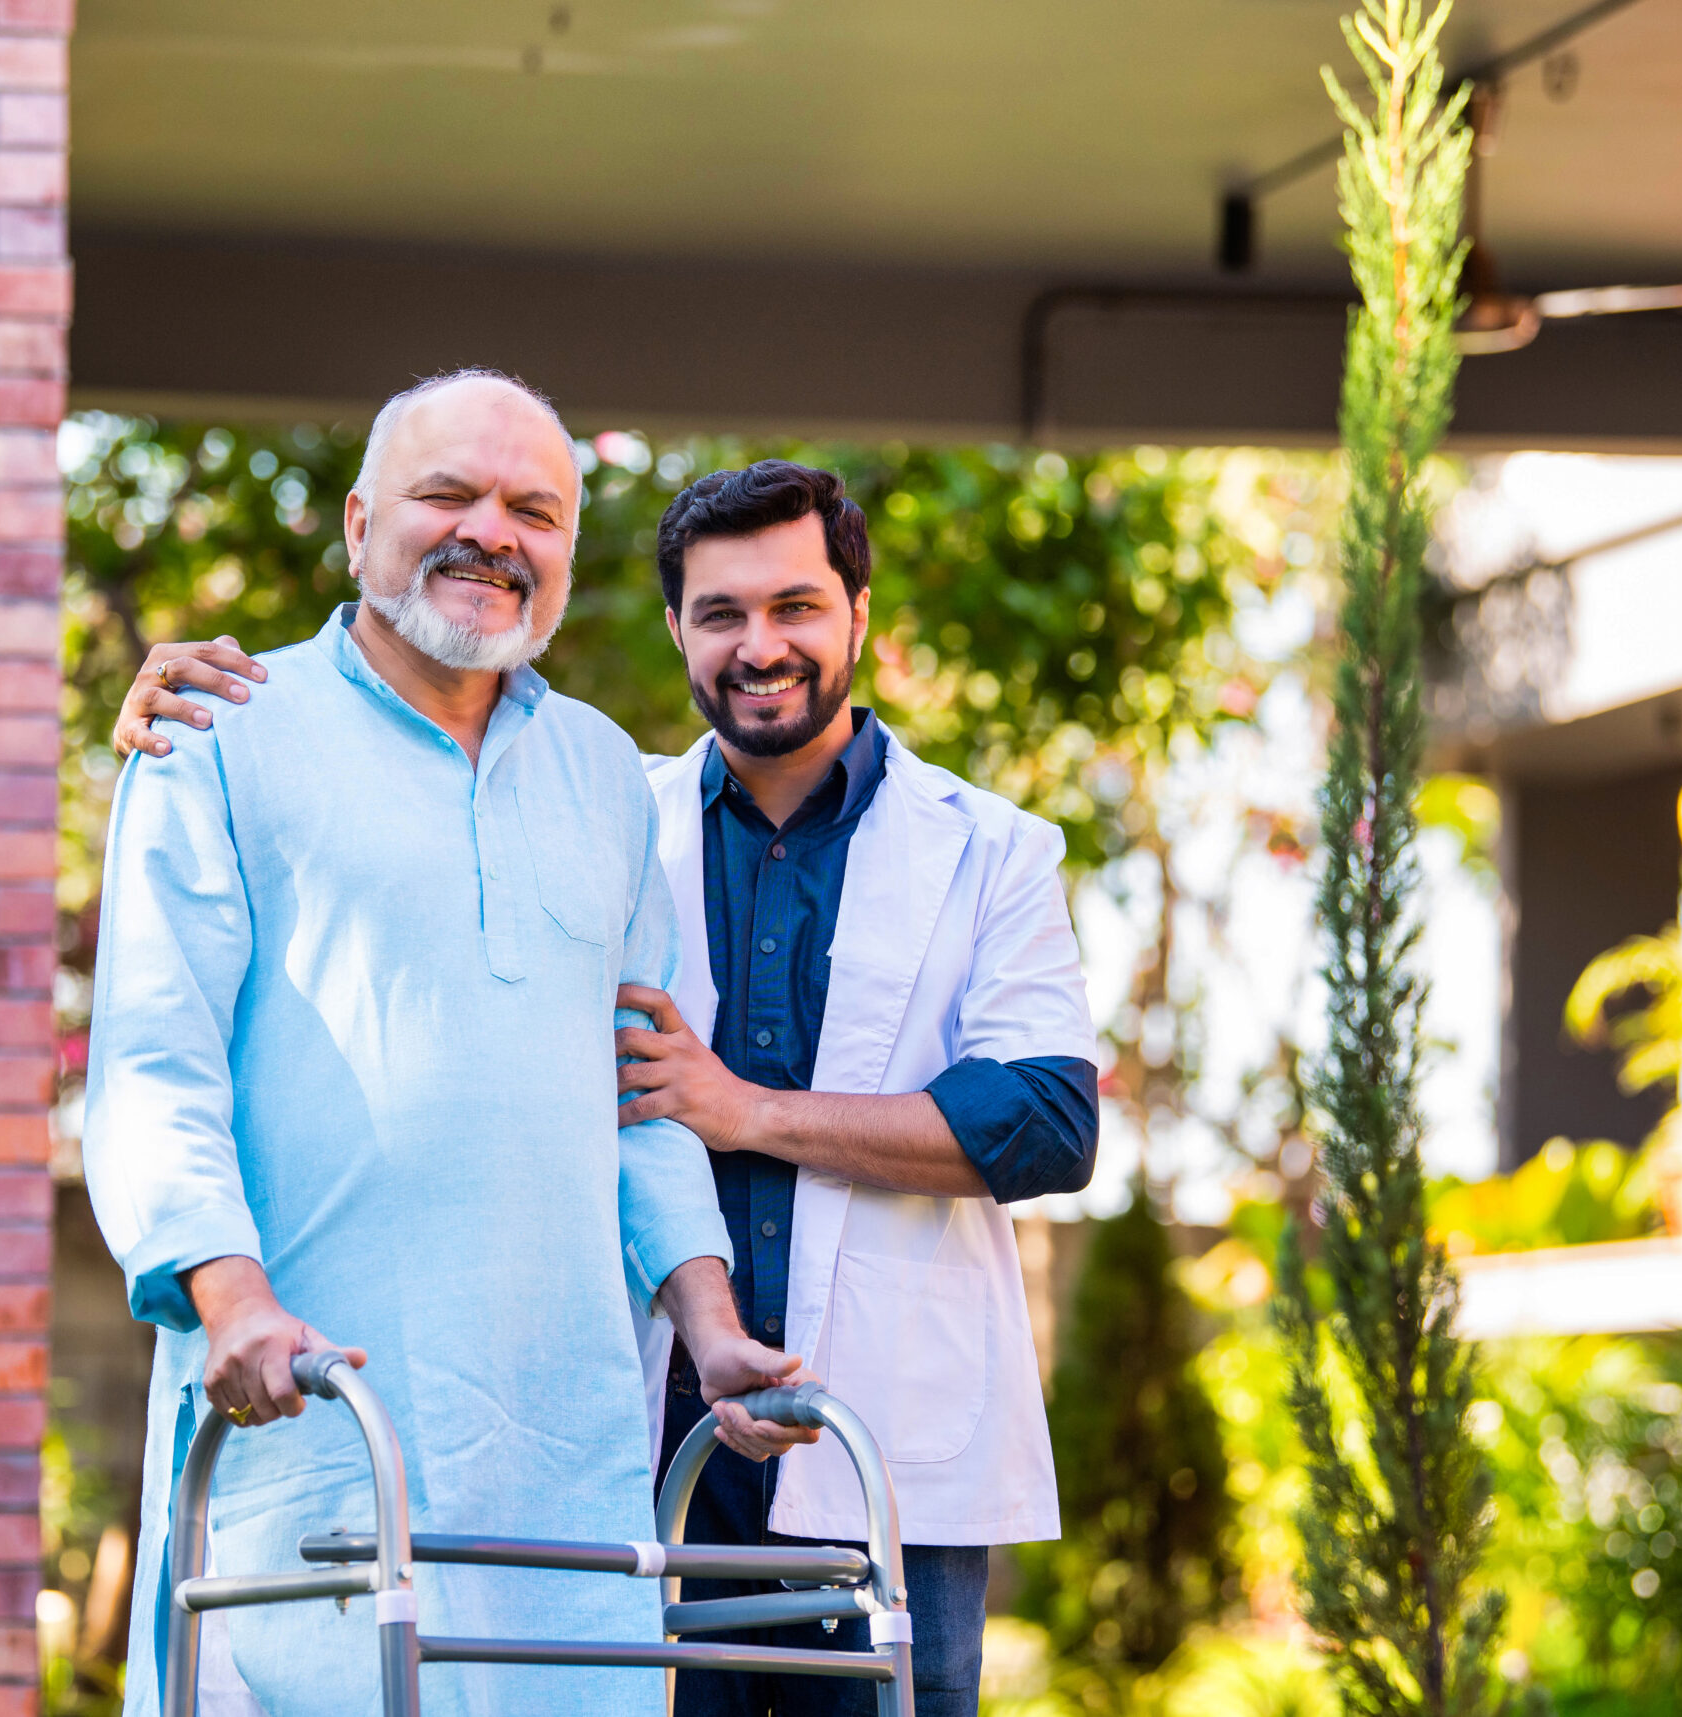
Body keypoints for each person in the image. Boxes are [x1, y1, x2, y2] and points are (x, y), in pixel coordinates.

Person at [118, 459, 1100, 1717]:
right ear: (677, 628)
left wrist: (746, 1110)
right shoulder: (594, 802)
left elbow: (1046, 1120)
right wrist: (190, 705)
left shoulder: (989, 849)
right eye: (720, 613)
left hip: (872, 1439)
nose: (760, 646)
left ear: (857, 616)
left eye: (796, 607)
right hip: (642, 1446)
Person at [86, 371, 810, 1717]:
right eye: (448, 495)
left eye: (534, 509)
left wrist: (711, 1326)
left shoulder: (606, 774)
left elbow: (641, 1087)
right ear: (360, 525)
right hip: (310, 1418)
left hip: (560, 1468)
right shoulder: (220, 730)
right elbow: (152, 1057)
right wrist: (229, 1298)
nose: (492, 532)